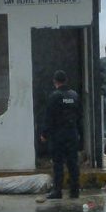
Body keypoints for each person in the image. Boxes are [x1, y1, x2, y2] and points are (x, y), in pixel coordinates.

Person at [40, 70, 82, 200]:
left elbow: (49, 117)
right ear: (66, 81)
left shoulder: (54, 96)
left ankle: (57, 191)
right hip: (72, 134)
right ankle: (74, 190)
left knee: (58, 164)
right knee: (73, 163)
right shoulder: (74, 95)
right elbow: (80, 115)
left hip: (58, 135)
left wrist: (44, 134)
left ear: (55, 82)